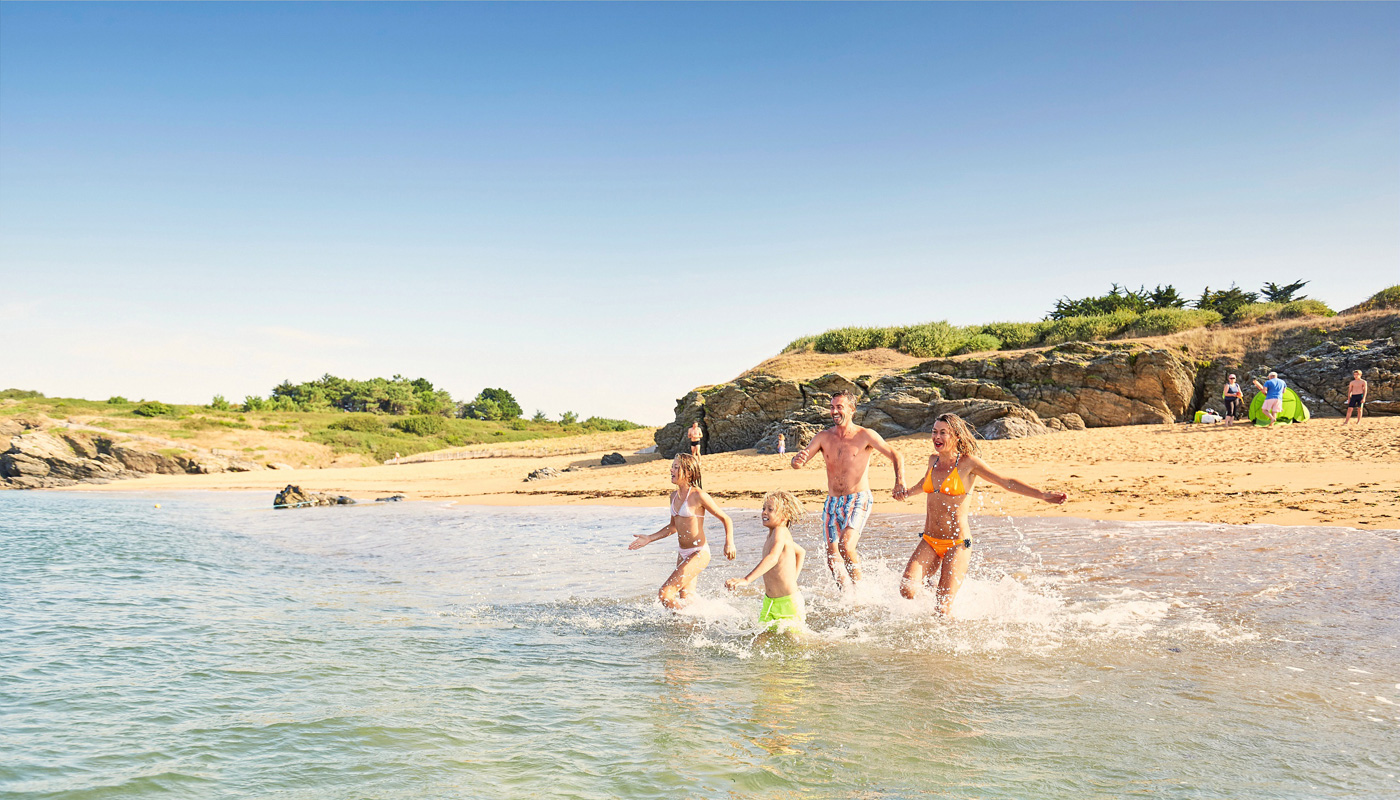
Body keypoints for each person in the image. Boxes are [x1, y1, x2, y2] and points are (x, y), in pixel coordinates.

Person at [898, 413, 1067, 616]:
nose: (937, 437)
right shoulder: (932, 460)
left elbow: (1006, 482)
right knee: (907, 590)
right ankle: (936, 590)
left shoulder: (968, 463)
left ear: (957, 436)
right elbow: (926, 485)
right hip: (929, 540)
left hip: (957, 544)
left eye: (943, 433)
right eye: (934, 432)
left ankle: (947, 639)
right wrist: (907, 492)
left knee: (942, 609)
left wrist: (1042, 495)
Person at [790, 390, 906, 589]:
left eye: (839, 407)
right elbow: (800, 461)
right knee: (832, 556)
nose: (834, 411)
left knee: (845, 545)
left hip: (858, 498)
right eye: (832, 407)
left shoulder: (865, 435)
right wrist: (796, 461)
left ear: (852, 410)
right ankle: (847, 596)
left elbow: (896, 455)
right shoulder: (823, 437)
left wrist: (899, 482)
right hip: (832, 502)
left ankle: (860, 590)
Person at [630, 453, 736, 609]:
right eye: (672, 466)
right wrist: (649, 538)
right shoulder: (673, 496)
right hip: (683, 553)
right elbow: (673, 526)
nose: (671, 470)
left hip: (699, 552)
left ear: (688, 472)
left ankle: (682, 620)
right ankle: (695, 624)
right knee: (687, 600)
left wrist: (729, 543)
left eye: (676, 467)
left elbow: (726, 518)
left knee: (665, 593)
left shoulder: (698, 495)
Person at [725, 490, 808, 634]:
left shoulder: (781, 532)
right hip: (769, 603)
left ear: (785, 516)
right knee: (759, 642)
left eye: (770, 510)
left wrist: (746, 579)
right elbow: (801, 552)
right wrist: (793, 577)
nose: (764, 512)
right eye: (763, 508)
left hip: (788, 603)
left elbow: (772, 558)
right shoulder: (772, 534)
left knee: (798, 644)